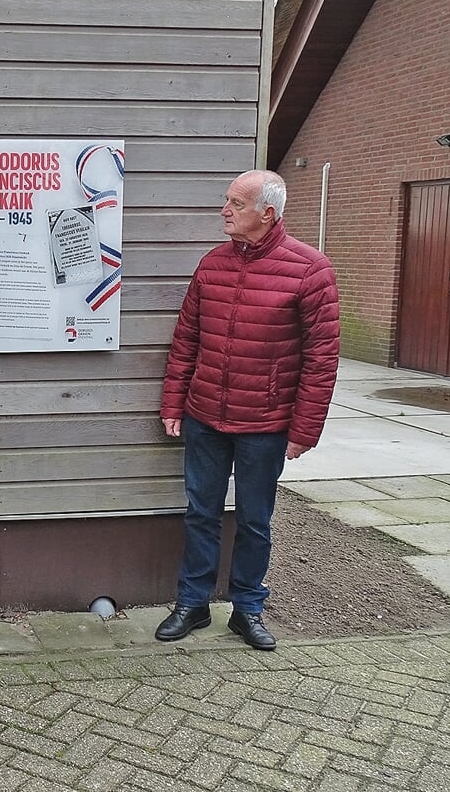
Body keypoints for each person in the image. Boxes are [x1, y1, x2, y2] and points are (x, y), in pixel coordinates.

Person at [156, 169, 340, 651]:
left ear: (268, 213)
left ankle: (248, 609)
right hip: (205, 417)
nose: (225, 211)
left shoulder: (310, 270)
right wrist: (176, 401)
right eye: (227, 201)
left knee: (255, 520)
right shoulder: (212, 265)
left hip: (265, 423)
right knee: (201, 512)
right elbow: (186, 341)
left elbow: (322, 360)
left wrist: (305, 429)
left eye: (236, 204)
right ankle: (192, 604)